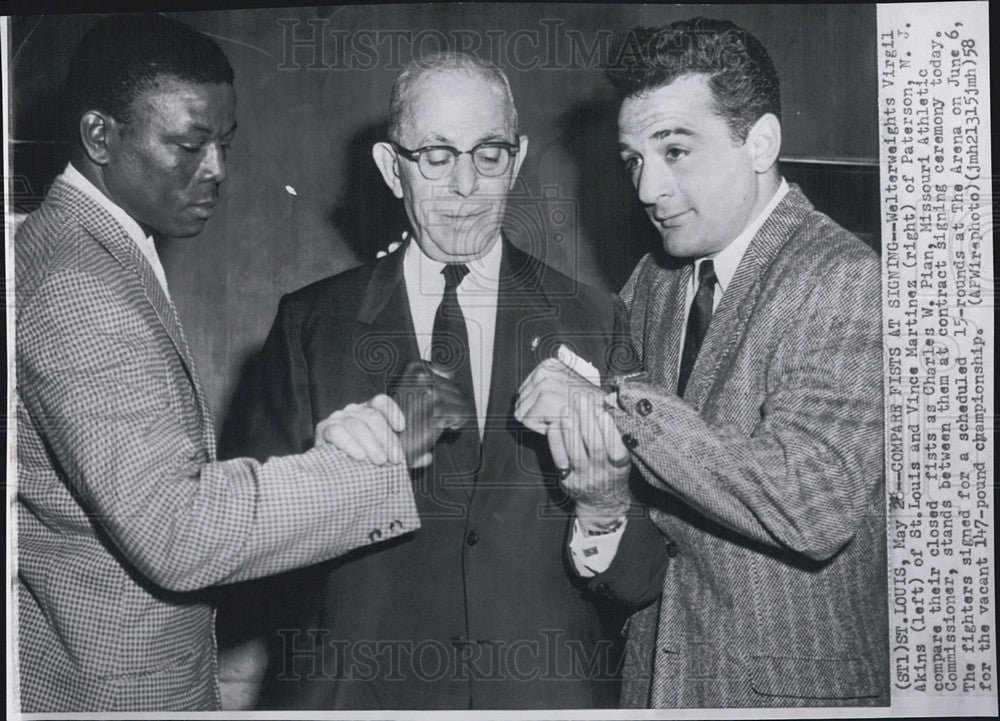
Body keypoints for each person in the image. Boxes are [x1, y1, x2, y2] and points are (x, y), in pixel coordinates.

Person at [221, 51, 667, 710]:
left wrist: (605, 508)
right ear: (390, 168)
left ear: (514, 162)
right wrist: (340, 469)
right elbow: (244, 552)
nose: (464, 184)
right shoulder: (310, 325)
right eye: (435, 155)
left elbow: (645, 574)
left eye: (487, 154)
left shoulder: (596, 319)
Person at [13, 14, 424, 713]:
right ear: (99, 136)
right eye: (188, 146)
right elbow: (178, 530)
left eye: (224, 145)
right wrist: (382, 457)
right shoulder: (79, 286)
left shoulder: (93, 246)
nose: (218, 172)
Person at [516, 17, 889, 708]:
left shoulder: (842, 276)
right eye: (634, 161)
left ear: (761, 142)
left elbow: (813, 505)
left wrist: (611, 403)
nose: (647, 188)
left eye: (676, 150)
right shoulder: (656, 279)